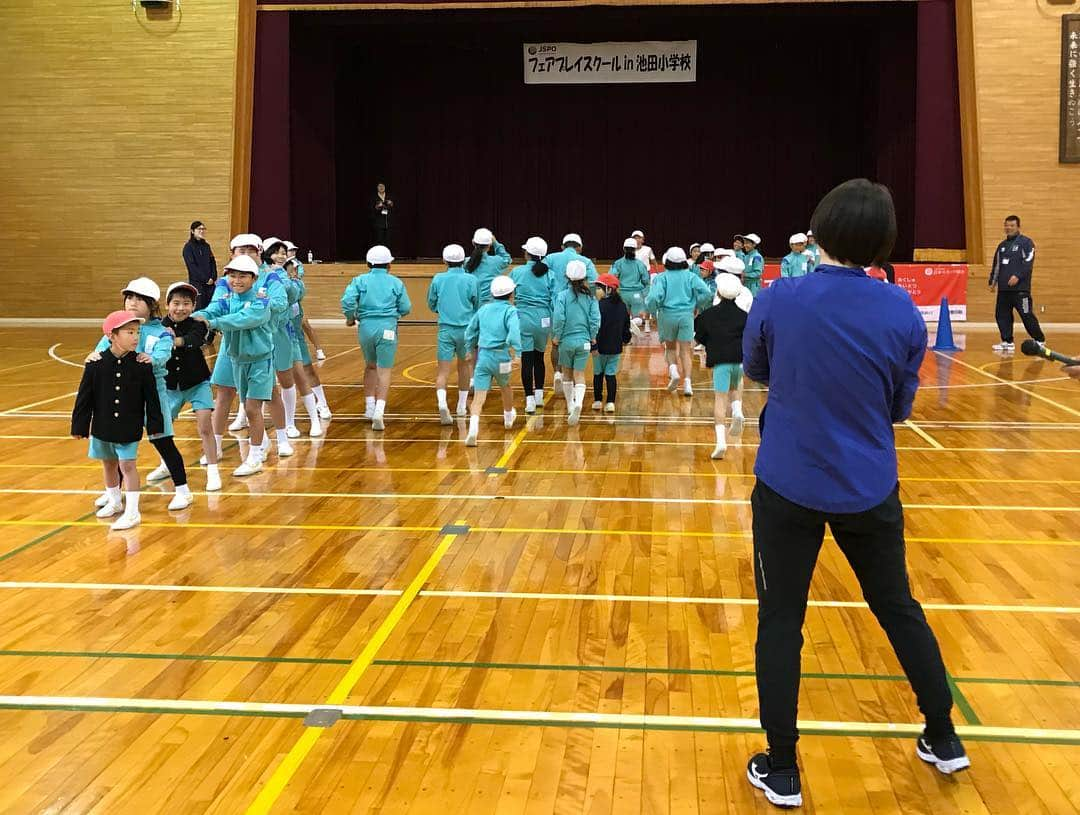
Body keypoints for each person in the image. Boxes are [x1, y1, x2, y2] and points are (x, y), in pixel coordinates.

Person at [741, 179, 968, 808]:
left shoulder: (780, 296)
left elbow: (757, 368)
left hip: (786, 481)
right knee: (897, 605)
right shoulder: (900, 311)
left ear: (818, 232)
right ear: (884, 242)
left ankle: (782, 767)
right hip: (870, 483)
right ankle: (944, 734)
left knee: (781, 618)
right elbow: (899, 406)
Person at [89, 278, 192, 512]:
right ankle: (113, 493)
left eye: (139, 299)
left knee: (162, 439)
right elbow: (100, 350)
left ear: (152, 304)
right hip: (124, 395)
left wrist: (151, 359)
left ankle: (183, 490)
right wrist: (94, 356)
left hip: (153, 393)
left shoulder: (161, 332)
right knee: (117, 443)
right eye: (129, 298)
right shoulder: (116, 328)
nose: (132, 303)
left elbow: (162, 354)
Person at [72, 311, 164, 531]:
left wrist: (155, 426)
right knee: (108, 464)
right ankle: (114, 501)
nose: (135, 337)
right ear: (112, 336)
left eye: (137, 332)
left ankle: (133, 512)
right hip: (102, 426)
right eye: (129, 332)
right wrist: (79, 426)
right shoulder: (95, 364)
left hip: (129, 427)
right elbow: (84, 398)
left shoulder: (142, 365)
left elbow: (152, 400)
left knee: (128, 465)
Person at [192, 254, 276, 476]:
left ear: (253, 278)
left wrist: (212, 323)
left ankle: (255, 455)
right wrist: (193, 318)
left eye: (242, 276)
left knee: (251, 408)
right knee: (244, 406)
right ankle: (256, 448)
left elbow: (242, 319)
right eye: (232, 276)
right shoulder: (228, 299)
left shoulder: (261, 301)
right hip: (238, 361)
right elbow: (212, 310)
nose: (237, 280)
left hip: (260, 361)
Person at [341, 245, 412, 431]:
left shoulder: (359, 280)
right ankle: (380, 411)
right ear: (389, 264)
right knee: (384, 370)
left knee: (370, 366)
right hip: (387, 327)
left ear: (368, 263)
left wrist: (351, 317)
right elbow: (406, 308)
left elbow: (347, 301)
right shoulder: (396, 282)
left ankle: (369, 407)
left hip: (365, 327)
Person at [161, 282, 221, 492]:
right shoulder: (159, 326)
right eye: (176, 303)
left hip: (197, 382)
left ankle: (213, 471)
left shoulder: (198, 324)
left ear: (194, 306)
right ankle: (165, 465)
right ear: (167, 304)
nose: (181, 308)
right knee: (162, 430)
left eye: (187, 303)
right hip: (170, 386)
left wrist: (171, 340)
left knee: (205, 425)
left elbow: (194, 341)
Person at [646, 247, 713, 396]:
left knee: (670, 348)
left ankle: (674, 370)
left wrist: (653, 312)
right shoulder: (691, 276)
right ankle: (688, 383)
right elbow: (707, 293)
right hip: (686, 316)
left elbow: (652, 298)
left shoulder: (661, 278)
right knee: (685, 350)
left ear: (667, 261)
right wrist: (697, 304)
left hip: (667, 315)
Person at [694, 272, 747, 459]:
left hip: (720, 362)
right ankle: (738, 410)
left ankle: (721, 442)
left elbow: (698, 337)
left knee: (720, 399)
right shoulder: (744, 316)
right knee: (736, 386)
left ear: (718, 292)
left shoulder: (708, 315)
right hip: (739, 360)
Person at [464, 275, 521, 447]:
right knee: (505, 387)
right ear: (511, 294)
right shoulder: (510, 311)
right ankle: (508, 417)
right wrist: (518, 353)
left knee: (479, 396)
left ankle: (473, 428)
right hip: (502, 357)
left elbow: (470, 331)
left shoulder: (483, 310)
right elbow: (514, 332)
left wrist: (468, 349)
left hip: (484, 357)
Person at [428, 243, 480, 423]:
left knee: (443, 371)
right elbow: (476, 302)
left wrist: (442, 310)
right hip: (466, 330)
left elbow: (432, 302)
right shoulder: (471, 279)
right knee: (464, 367)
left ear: (444, 260)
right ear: (462, 261)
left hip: (446, 329)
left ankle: (442, 403)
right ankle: (461, 405)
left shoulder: (438, 279)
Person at [544, 234, 599, 391]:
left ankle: (557, 374)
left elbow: (538, 273)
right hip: (579, 308)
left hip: (554, 306)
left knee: (556, 343)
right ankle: (574, 381)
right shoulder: (586, 261)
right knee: (577, 344)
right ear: (579, 248)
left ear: (562, 246)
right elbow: (594, 285)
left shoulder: (550, 258)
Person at [283, 257, 331, 432]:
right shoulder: (274, 280)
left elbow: (299, 289)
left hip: (295, 337)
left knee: (307, 371)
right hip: (278, 339)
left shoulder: (296, 285)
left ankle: (322, 405)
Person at [510, 237, 556, 414]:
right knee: (539, 357)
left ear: (528, 253)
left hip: (523, 318)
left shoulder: (516, 272)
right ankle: (539, 396)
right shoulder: (549, 274)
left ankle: (529, 398)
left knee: (527, 360)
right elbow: (554, 299)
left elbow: (509, 294)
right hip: (543, 319)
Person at [552, 259, 600, 426]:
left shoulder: (562, 296)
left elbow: (559, 318)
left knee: (567, 374)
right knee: (579, 374)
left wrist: (557, 336)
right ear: (585, 277)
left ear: (567, 277)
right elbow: (595, 319)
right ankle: (579, 401)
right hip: (584, 341)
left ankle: (571, 405)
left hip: (566, 341)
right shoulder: (591, 297)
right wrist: (593, 336)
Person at [989, 215, 1045, 353]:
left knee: (1026, 314)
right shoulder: (1001, 246)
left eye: (1012, 225)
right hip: (1004, 290)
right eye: (1006, 225)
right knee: (1001, 315)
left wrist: (1017, 276)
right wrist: (993, 281)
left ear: (1018, 227)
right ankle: (1007, 341)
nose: (1008, 228)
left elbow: (1028, 262)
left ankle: (1039, 340)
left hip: (1021, 291)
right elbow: (996, 265)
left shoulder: (1026, 243)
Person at [591, 274, 631, 413]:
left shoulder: (597, 306)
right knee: (610, 374)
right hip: (615, 347)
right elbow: (626, 326)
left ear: (608, 289)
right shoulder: (622, 306)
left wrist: (593, 346)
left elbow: (594, 327)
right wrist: (626, 339)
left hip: (598, 348)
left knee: (598, 374)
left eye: (599, 288)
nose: (596, 291)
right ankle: (610, 403)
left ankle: (597, 400)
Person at [286, 240, 328, 365]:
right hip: (284, 306)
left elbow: (298, 277)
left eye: (294, 250)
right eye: (290, 250)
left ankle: (318, 349)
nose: (293, 252)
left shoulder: (296, 264)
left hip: (294, 303)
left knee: (305, 325)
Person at [611, 237, 650, 335]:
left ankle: (626, 334)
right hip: (636, 295)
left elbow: (612, 277)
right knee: (639, 319)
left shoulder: (617, 263)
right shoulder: (640, 264)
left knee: (623, 316)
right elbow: (646, 280)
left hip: (622, 294)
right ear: (635, 249)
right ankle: (632, 323)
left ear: (624, 249)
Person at [466, 228, 512, 306]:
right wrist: (495, 243)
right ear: (490, 244)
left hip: (471, 305)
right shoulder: (496, 261)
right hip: (490, 305)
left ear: (473, 242)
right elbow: (507, 258)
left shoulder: (465, 262)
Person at [182, 221, 217, 309]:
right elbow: (192, 267)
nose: (202, 231)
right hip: (197, 284)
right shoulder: (188, 247)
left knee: (211, 308)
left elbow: (212, 262)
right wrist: (205, 279)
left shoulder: (206, 246)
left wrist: (213, 277)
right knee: (199, 309)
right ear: (192, 231)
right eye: (199, 229)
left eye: (203, 229)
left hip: (210, 284)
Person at [372, 182, 393, 247]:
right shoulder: (374, 197)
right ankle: (380, 256)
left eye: (382, 186)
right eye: (379, 186)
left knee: (388, 240)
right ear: (377, 188)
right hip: (379, 223)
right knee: (379, 240)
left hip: (388, 223)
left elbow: (393, 207)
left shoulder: (389, 196)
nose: (381, 188)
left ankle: (387, 255)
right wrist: (378, 206)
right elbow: (372, 209)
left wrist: (391, 204)